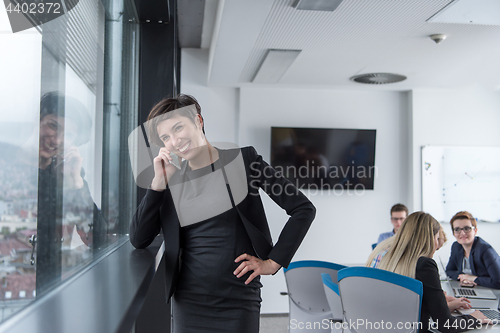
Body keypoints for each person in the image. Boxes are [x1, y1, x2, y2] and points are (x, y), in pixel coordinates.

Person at [129, 94, 316, 332]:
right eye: (166, 137)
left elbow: (303, 208)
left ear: (198, 121)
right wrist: (158, 183)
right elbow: (139, 238)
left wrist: (273, 262)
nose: (174, 141)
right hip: (189, 302)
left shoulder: (245, 161)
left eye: (178, 128)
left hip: (238, 300)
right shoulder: (171, 179)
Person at [376, 211, 489, 332]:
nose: (436, 245)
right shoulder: (424, 265)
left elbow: (407, 308)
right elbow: (446, 325)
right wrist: (474, 318)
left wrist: (441, 306)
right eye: (436, 238)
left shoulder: (388, 259)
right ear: (428, 239)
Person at [367, 226, 472, 313]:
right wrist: (442, 305)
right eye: (435, 248)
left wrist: (437, 299)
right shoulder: (405, 260)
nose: (432, 254)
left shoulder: (388, 247)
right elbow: (408, 308)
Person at [445, 211, 500, 289]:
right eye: (457, 229)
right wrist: (464, 277)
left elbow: (498, 282)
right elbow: (449, 270)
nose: (462, 233)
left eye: (467, 228)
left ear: (475, 231)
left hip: (490, 292)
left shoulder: (485, 250)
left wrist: (474, 279)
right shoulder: (456, 246)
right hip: (472, 289)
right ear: (453, 233)